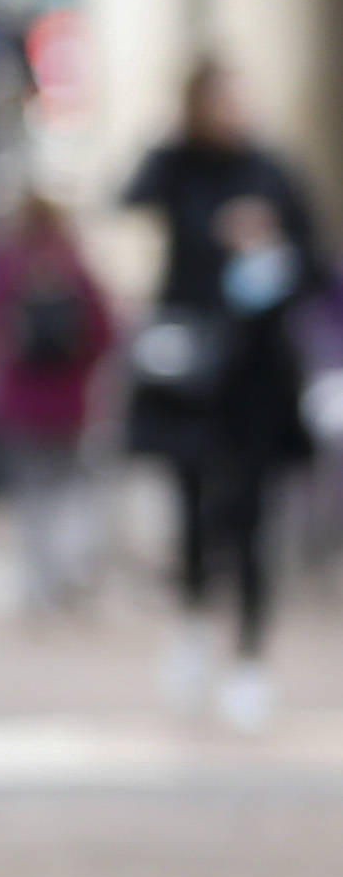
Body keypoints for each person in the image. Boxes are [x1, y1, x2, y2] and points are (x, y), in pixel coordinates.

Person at [122, 59, 323, 725]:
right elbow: (128, 196)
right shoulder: (176, 166)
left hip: (259, 376)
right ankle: (191, 624)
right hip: (192, 371)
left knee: (254, 520)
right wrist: (210, 225)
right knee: (190, 508)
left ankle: (249, 659)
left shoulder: (272, 171)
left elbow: (316, 261)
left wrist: (271, 242)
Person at [0, 186, 115, 619]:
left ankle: (39, 581)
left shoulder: (4, 265)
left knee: (31, 493)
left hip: (21, 399)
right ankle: (63, 573)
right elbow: (105, 330)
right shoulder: (73, 265)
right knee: (68, 488)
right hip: (68, 400)